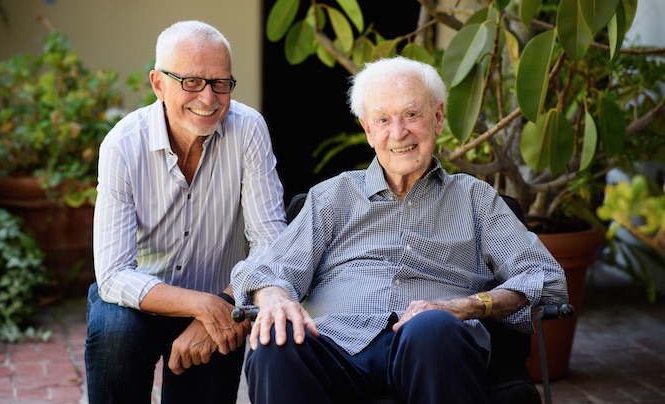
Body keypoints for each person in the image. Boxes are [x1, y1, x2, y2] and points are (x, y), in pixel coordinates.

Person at [231, 56, 568, 404]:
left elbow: (545, 278)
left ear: (438, 118)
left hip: (433, 348)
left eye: (411, 114)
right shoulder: (332, 197)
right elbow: (265, 270)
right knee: (275, 340)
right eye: (383, 119)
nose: (398, 132)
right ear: (368, 130)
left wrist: (467, 306)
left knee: (432, 326)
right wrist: (273, 298)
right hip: (336, 348)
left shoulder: (476, 199)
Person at [85, 21, 287, 404]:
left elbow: (270, 242)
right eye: (191, 82)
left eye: (220, 83)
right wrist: (202, 305)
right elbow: (112, 276)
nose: (208, 98)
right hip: (142, 300)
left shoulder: (248, 130)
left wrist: (223, 305)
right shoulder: (123, 145)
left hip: (221, 295)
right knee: (114, 335)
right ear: (158, 84)